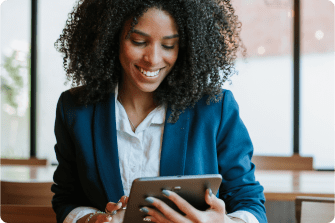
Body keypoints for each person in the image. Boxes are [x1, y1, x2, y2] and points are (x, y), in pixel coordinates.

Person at [51, 0, 267, 222]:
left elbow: (249, 201)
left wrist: (224, 222)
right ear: (110, 36)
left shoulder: (215, 108)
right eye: (138, 41)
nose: (152, 59)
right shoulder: (75, 109)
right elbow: (67, 198)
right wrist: (90, 220)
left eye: (168, 45)